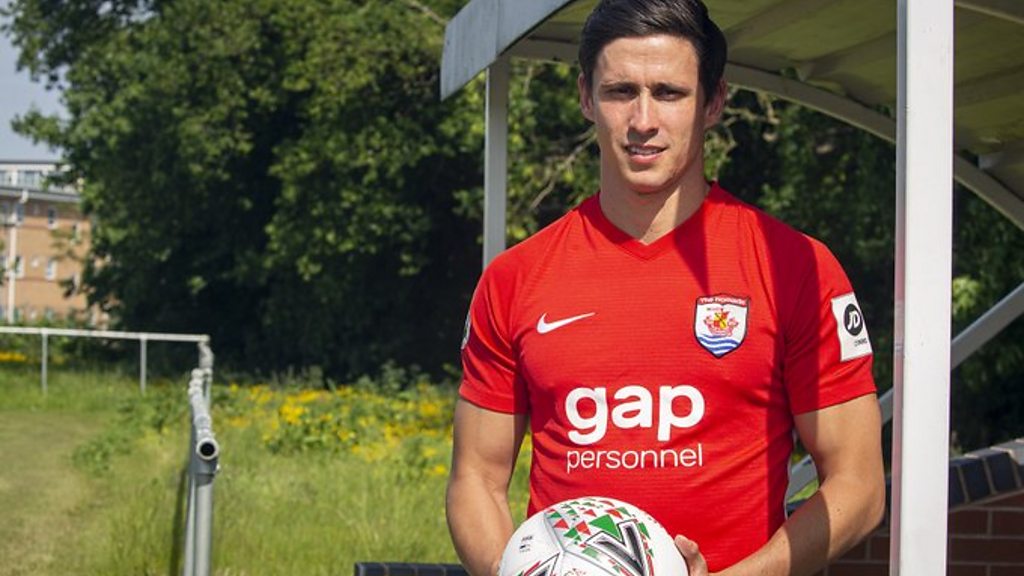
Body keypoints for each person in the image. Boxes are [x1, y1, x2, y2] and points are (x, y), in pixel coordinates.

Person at [445, 0, 886, 574]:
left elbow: (859, 486)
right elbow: (475, 479)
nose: (643, 120)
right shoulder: (515, 278)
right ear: (585, 98)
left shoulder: (796, 267)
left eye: (669, 93)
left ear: (714, 102)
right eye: (620, 91)